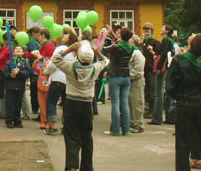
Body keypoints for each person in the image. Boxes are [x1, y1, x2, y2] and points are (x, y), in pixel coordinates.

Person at [167, 34, 201, 171]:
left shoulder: (179, 61)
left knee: (183, 144)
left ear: (190, 46)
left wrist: (178, 97)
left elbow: (170, 86)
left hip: (184, 104)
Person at [52, 39, 109, 171]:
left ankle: (72, 166)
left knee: (71, 135)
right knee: (87, 136)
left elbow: (55, 59)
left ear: (77, 55)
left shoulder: (71, 67)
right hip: (87, 103)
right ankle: (87, 166)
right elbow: (105, 61)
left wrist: (68, 49)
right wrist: (98, 52)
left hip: (72, 102)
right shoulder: (95, 68)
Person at [45, 27, 77, 135]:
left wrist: (47, 71)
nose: (62, 37)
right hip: (69, 79)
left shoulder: (60, 49)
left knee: (51, 101)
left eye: (65, 36)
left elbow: (53, 63)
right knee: (66, 103)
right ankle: (66, 126)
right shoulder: (75, 51)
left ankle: (53, 125)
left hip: (58, 78)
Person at [102, 27, 134, 136]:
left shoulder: (116, 47)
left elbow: (105, 48)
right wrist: (114, 35)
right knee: (124, 104)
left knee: (115, 103)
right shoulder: (131, 47)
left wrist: (105, 37)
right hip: (126, 76)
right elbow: (121, 43)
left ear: (121, 35)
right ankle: (126, 129)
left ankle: (115, 130)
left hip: (115, 76)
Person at [151, 24, 176, 125]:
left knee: (159, 91)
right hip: (170, 67)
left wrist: (159, 67)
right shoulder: (172, 41)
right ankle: (169, 117)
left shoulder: (166, 40)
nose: (160, 29)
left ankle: (157, 118)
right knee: (165, 91)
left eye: (162, 28)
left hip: (163, 67)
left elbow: (164, 54)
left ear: (167, 31)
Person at [4, 45, 32, 128]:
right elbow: (4, 74)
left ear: (23, 53)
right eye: (16, 49)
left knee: (18, 104)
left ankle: (17, 120)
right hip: (10, 86)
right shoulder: (9, 62)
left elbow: (28, 73)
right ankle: (9, 120)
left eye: (20, 49)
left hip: (20, 86)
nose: (18, 50)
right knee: (10, 103)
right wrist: (10, 75)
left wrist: (19, 73)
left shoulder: (25, 62)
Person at [141, 22, 160, 118]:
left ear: (151, 31)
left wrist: (152, 51)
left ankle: (153, 111)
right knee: (146, 91)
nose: (146, 31)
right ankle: (148, 109)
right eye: (144, 30)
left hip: (152, 69)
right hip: (145, 69)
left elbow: (157, 56)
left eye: (148, 30)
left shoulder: (155, 42)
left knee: (153, 91)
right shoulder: (143, 42)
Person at [129, 34, 146, 133]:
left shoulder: (137, 53)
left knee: (137, 102)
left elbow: (138, 70)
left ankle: (138, 124)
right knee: (131, 101)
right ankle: (133, 122)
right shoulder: (132, 52)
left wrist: (130, 75)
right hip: (131, 79)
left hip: (137, 80)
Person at [26, 27, 41, 116]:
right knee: (35, 88)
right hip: (35, 67)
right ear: (34, 33)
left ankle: (35, 107)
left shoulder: (32, 41)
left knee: (34, 88)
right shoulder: (33, 42)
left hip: (33, 66)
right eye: (38, 34)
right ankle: (35, 108)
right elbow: (35, 53)